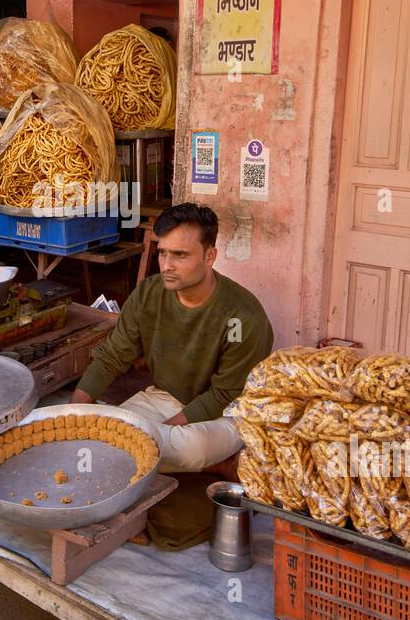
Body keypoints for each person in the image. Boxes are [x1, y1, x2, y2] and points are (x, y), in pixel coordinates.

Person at [71, 203, 273, 478]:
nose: (167, 265)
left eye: (180, 255)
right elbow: (112, 356)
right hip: (164, 397)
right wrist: (73, 410)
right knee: (102, 437)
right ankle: (183, 459)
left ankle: (219, 462)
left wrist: (166, 429)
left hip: (227, 412)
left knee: (186, 447)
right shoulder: (148, 294)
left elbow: (225, 393)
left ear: (209, 256)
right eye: (163, 253)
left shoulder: (243, 317)